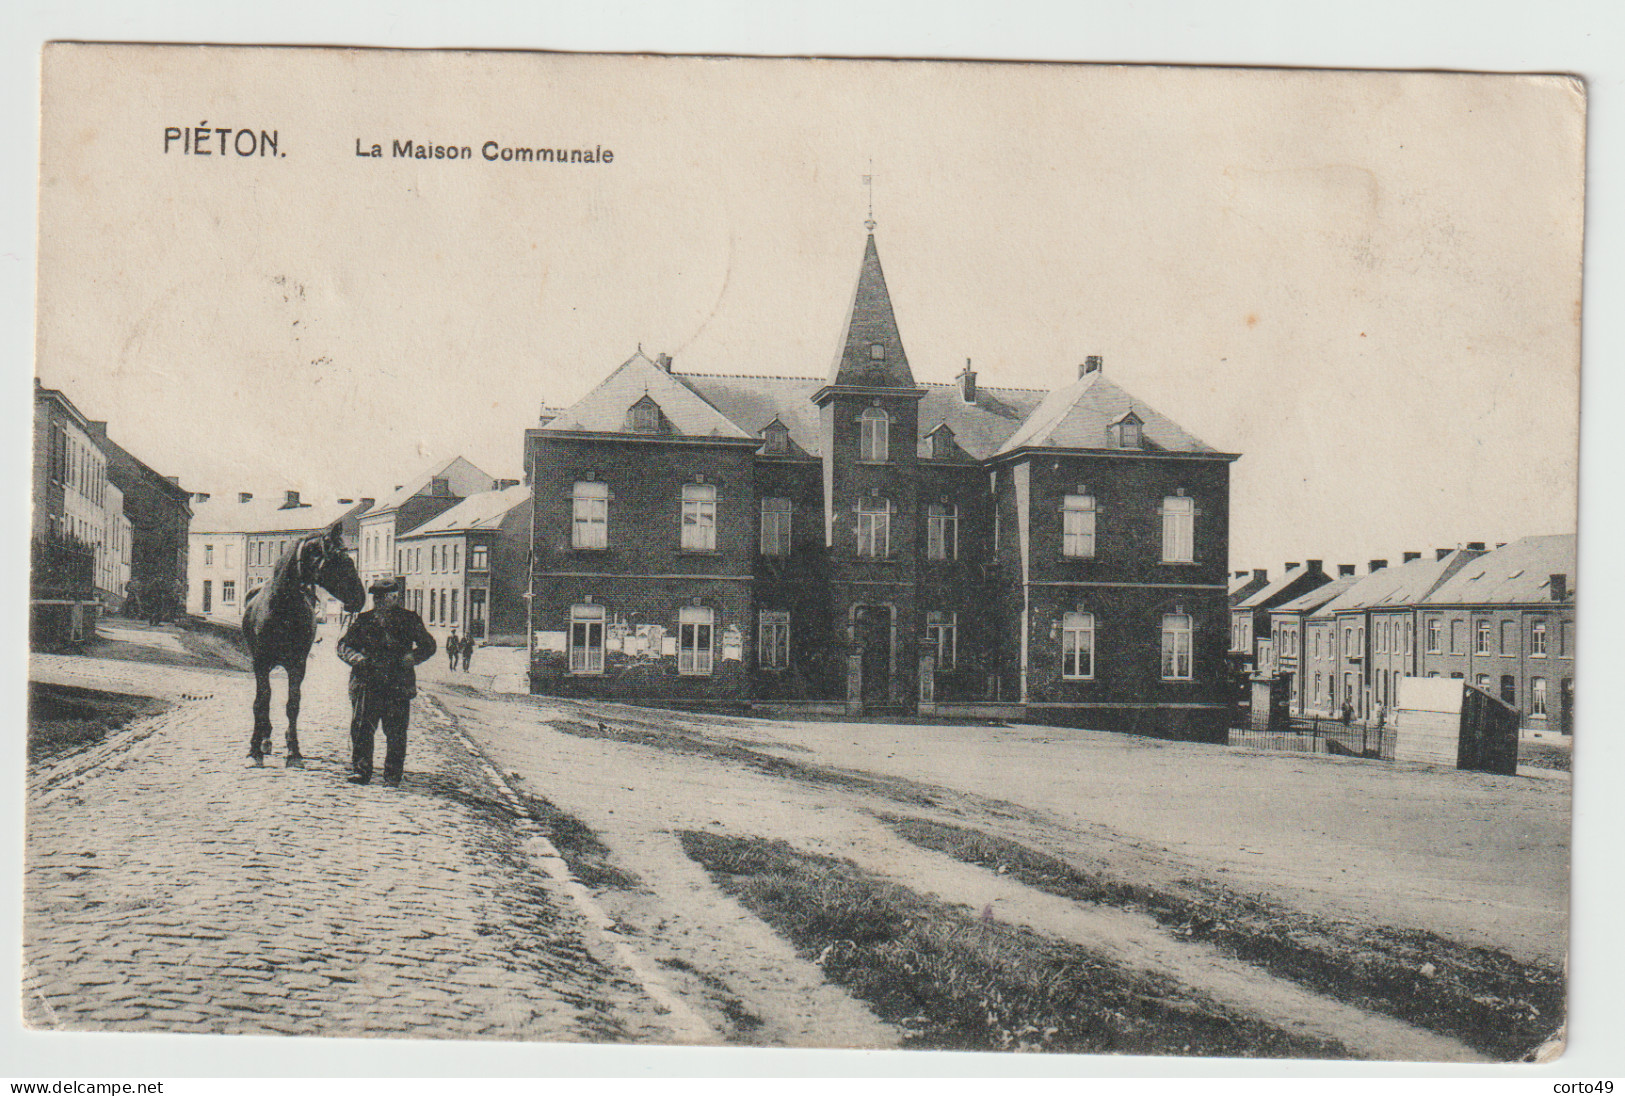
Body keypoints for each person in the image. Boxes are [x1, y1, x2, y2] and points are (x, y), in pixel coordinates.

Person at [337, 576, 436, 787]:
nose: (379, 602)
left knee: (397, 731)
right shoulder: (364, 620)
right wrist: (356, 658)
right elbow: (344, 646)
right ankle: (361, 771)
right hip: (367, 683)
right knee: (363, 728)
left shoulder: (409, 620)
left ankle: (392, 775)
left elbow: (429, 645)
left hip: (397, 684)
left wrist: (414, 657)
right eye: (376, 598)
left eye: (383, 598)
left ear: (394, 597)